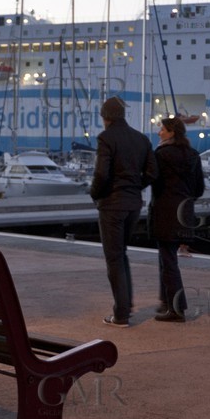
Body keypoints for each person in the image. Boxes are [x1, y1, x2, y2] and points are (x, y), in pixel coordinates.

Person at [89, 96, 158, 326]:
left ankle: (120, 315)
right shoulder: (141, 139)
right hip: (133, 205)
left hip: (112, 205)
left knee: (114, 258)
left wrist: (95, 193)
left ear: (105, 117)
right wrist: (136, 186)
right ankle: (125, 306)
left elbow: (101, 174)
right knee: (122, 254)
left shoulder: (106, 138)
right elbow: (152, 173)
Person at [150, 115, 205, 320]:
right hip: (184, 212)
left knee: (168, 260)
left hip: (165, 212)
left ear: (171, 132)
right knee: (168, 258)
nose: (159, 132)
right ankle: (166, 301)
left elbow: (153, 181)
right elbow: (199, 189)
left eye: (162, 129)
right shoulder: (193, 155)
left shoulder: (161, 154)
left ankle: (176, 308)